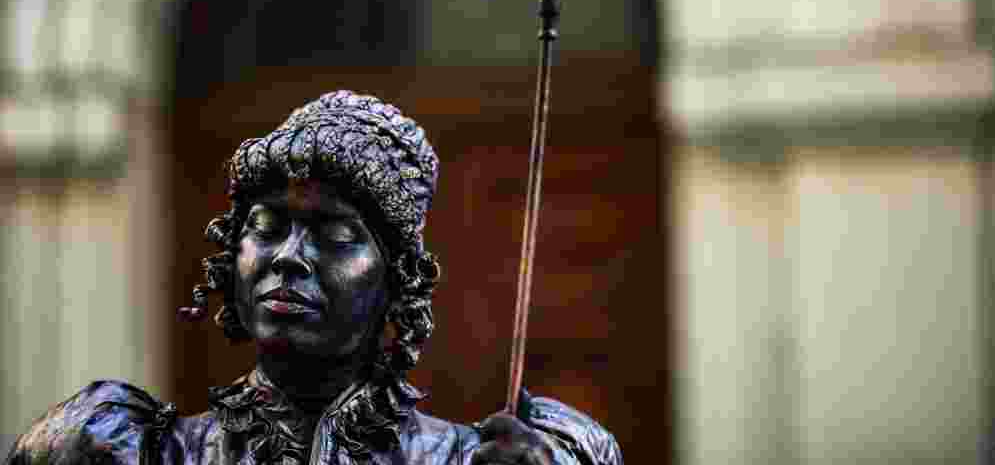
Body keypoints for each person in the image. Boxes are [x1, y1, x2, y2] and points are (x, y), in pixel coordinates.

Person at [5, 90, 622, 465]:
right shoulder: (133, 453)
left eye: (334, 235)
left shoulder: (471, 461)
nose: (289, 257)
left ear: (397, 282)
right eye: (268, 226)